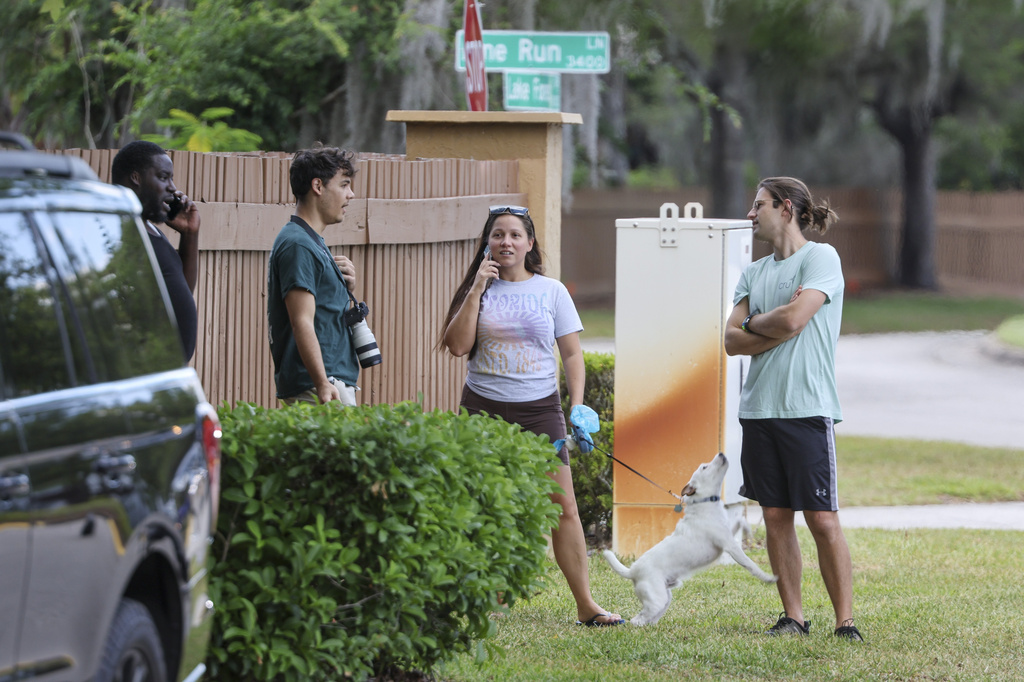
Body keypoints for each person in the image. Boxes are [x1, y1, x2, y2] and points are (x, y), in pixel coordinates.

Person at [441, 205, 623, 627]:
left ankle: (586, 604)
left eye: (515, 235)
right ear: (487, 242)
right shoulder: (478, 289)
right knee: (483, 505)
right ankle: (483, 597)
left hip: (540, 411)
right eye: (498, 235)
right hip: (483, 408)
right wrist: (475, 291)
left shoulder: (552, 291)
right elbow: (456, 346)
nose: (506, 242)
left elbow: (572, 352)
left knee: (564, 508)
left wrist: (577, 404)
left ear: (530, 243)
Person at [724, 176, 863, 642]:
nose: (750, 214)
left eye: (757, 205)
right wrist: (770, 322)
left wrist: (759, 323)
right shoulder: (754, 272)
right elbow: (730, 339)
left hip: (806, 408)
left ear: (785, 209)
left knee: (822, 519)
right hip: (758, 410)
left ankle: (845, 622)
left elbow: (797, 318)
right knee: (775, 517)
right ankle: (794, 618)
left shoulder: (820, 258)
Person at [267, 144, 362, 406]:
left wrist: (346, 288)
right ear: (318, 186)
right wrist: (322, 383)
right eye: (344, 185)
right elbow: (302, 321)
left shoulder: (310, 241)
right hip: (319, 385)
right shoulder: (298, 244)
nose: (351, 194)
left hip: (328, 380)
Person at [112, 141, 200, 361]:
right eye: (163, 177)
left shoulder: (149, 228)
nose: (172, 187)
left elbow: (181, 291)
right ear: (136, 178)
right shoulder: (120, 233)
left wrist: (190, 234)